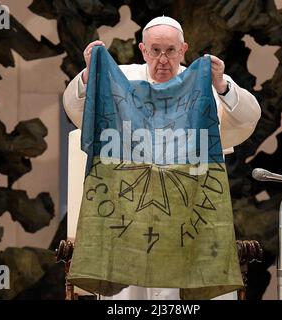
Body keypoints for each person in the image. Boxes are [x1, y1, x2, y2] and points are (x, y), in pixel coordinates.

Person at [63, 16, 261, 300]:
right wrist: (88, 74)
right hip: (129, 217)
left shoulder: (204, 82)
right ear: (143, 50)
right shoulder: (120, 79)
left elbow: (247, 119)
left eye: (171, 50)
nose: (163, 59)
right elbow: (76, 107)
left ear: (184, 50)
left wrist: (222, 85)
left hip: (190, 211)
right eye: (155, 50)